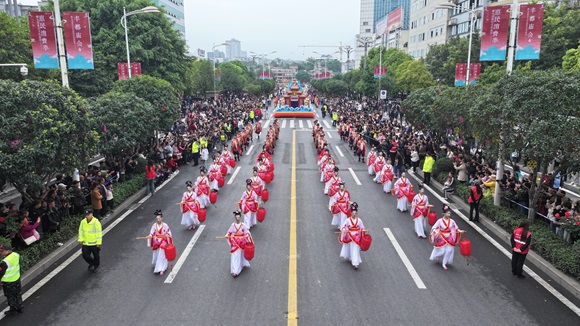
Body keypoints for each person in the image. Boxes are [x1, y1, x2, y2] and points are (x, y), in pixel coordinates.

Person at [225, 211, 252, 277]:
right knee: (235, 255)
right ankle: (236, 270)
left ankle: (242, 264)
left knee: (241, 254)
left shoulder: (243, 225)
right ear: (235, 218)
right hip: (234, 242)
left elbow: (247, 233)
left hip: (242, 242)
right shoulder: (232, 225)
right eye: (236, 217)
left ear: (240, 217)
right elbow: (229, 232)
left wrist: (247, 237)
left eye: (239, 217)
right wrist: (227, 235)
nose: (238, 219)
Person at [339, 202, 366, 269]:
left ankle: (355, 263)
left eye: (355, 213)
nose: (354, 214)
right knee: (350, 247)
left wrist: (362, 231)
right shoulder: (348, 220)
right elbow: (343, 226)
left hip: (356, 236)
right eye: (353, 213)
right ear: (351, 213)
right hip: (349, 235)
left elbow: (362, 227)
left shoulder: (359, 220)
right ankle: (350, 257)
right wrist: (344, 230)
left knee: (355, 248)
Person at [0, 243, 24, 316]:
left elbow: (1, 273)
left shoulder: (4, 262)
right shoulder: (16, 255)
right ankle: (20, 307)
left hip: (8, 282)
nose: (0, 252)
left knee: (10, 296)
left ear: (7, 251)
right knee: (17, 293)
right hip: (16, 279)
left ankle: (13, 309)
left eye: (1, 251)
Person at [148, 210, 172, 276]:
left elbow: (169, 233)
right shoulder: (154, 226)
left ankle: (161, 268)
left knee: (162, 255)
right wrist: (150, 236)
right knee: (157, 253)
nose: (158, 220)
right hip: (156, 242)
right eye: (157, 219)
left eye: (159, 218)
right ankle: (158, 264)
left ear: (162, 218)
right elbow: (152, 233)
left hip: (163, 242)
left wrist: (166, 236)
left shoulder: (165, 225)